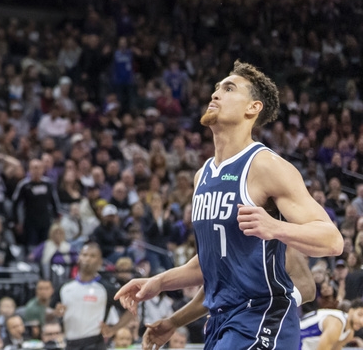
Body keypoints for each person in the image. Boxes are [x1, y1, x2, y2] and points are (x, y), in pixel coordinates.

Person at [117, 61, 343, 350]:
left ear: (253, 108)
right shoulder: (203, 176)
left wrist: (276, 227)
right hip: (221, 321)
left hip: (263, 316)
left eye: (228, 88)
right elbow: (210, 262)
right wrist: (159, 282)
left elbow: (333, 240)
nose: (215, 94)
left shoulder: (265, 165)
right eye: (216, 88)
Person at [139, 248, 315, 348]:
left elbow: (307, 287)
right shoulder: (219, 235)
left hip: (260, 321)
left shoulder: (274, 238)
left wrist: (267, 305)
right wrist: (174, 321)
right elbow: (213, 290)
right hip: (221, 322)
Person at [51, 243, 132, 350]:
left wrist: (113, 329)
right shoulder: (65, 287)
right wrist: (55, 313)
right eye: (84, 255)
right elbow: (48, 311)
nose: (87, 259)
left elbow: (130, 310)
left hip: (94, 343)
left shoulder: (107, 288)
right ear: (79, 258)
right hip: (70, 344)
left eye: (92, 256)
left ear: (100, 261)